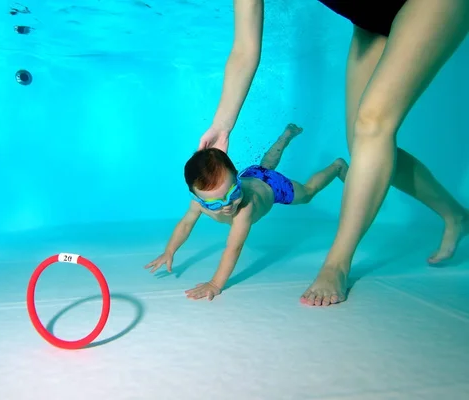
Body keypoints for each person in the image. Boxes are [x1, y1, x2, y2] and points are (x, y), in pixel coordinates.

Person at [197, 0, 469, 307]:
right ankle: (456, 215)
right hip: (370, 19)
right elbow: (244, 49)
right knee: (363, 145)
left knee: (373, 125)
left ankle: (337, 264)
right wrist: (222, 126)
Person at [145, 123, 349, 300]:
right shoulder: (199, 203)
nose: (227, 205)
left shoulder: (245, 210)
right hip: (252, 175)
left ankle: (337, 167)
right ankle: (285, 137)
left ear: (236, 178)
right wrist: (169, 251)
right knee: (265, 166)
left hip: (273, 187)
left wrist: (215, 284)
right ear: (198, 199)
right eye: (215, 204)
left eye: (233, 193)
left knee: (307, 194)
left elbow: (233, 249)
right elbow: (185, 224)